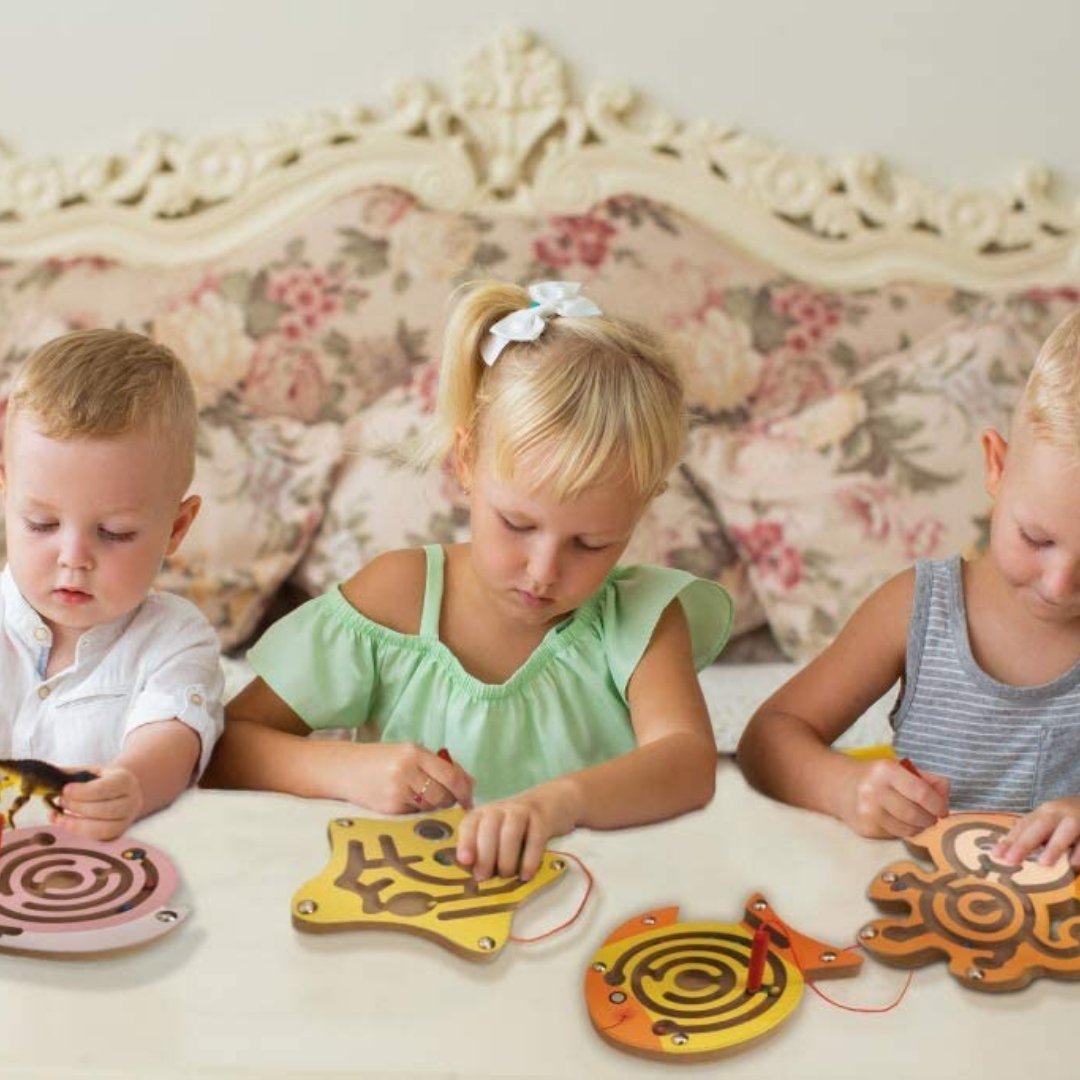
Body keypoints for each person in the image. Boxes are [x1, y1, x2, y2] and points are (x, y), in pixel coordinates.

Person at [204, 280, 732, 879]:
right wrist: (347, 769)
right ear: (465, 462)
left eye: (591, 544)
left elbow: (687, 762)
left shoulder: (640, 617)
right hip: (406, 902)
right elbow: (227, 748)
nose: (544, 571)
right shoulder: (397, 599)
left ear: (644, 507)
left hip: (592, 904)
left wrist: (560, 803)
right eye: (517, 524)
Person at [737, 309, 1080, 869]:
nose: (1060, 583)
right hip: (919, 904)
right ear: (996, 467)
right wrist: (845, 788)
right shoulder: (920, 609)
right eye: (1036, 538)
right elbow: (768, 739)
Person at [0, 328, 224, 839]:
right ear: (5, 494)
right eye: (41, 524)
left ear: (176, 528)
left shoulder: (174, 639)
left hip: (104, 870)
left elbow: (171, 736)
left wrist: (133, 785)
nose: (74, 558)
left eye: (114, 533)